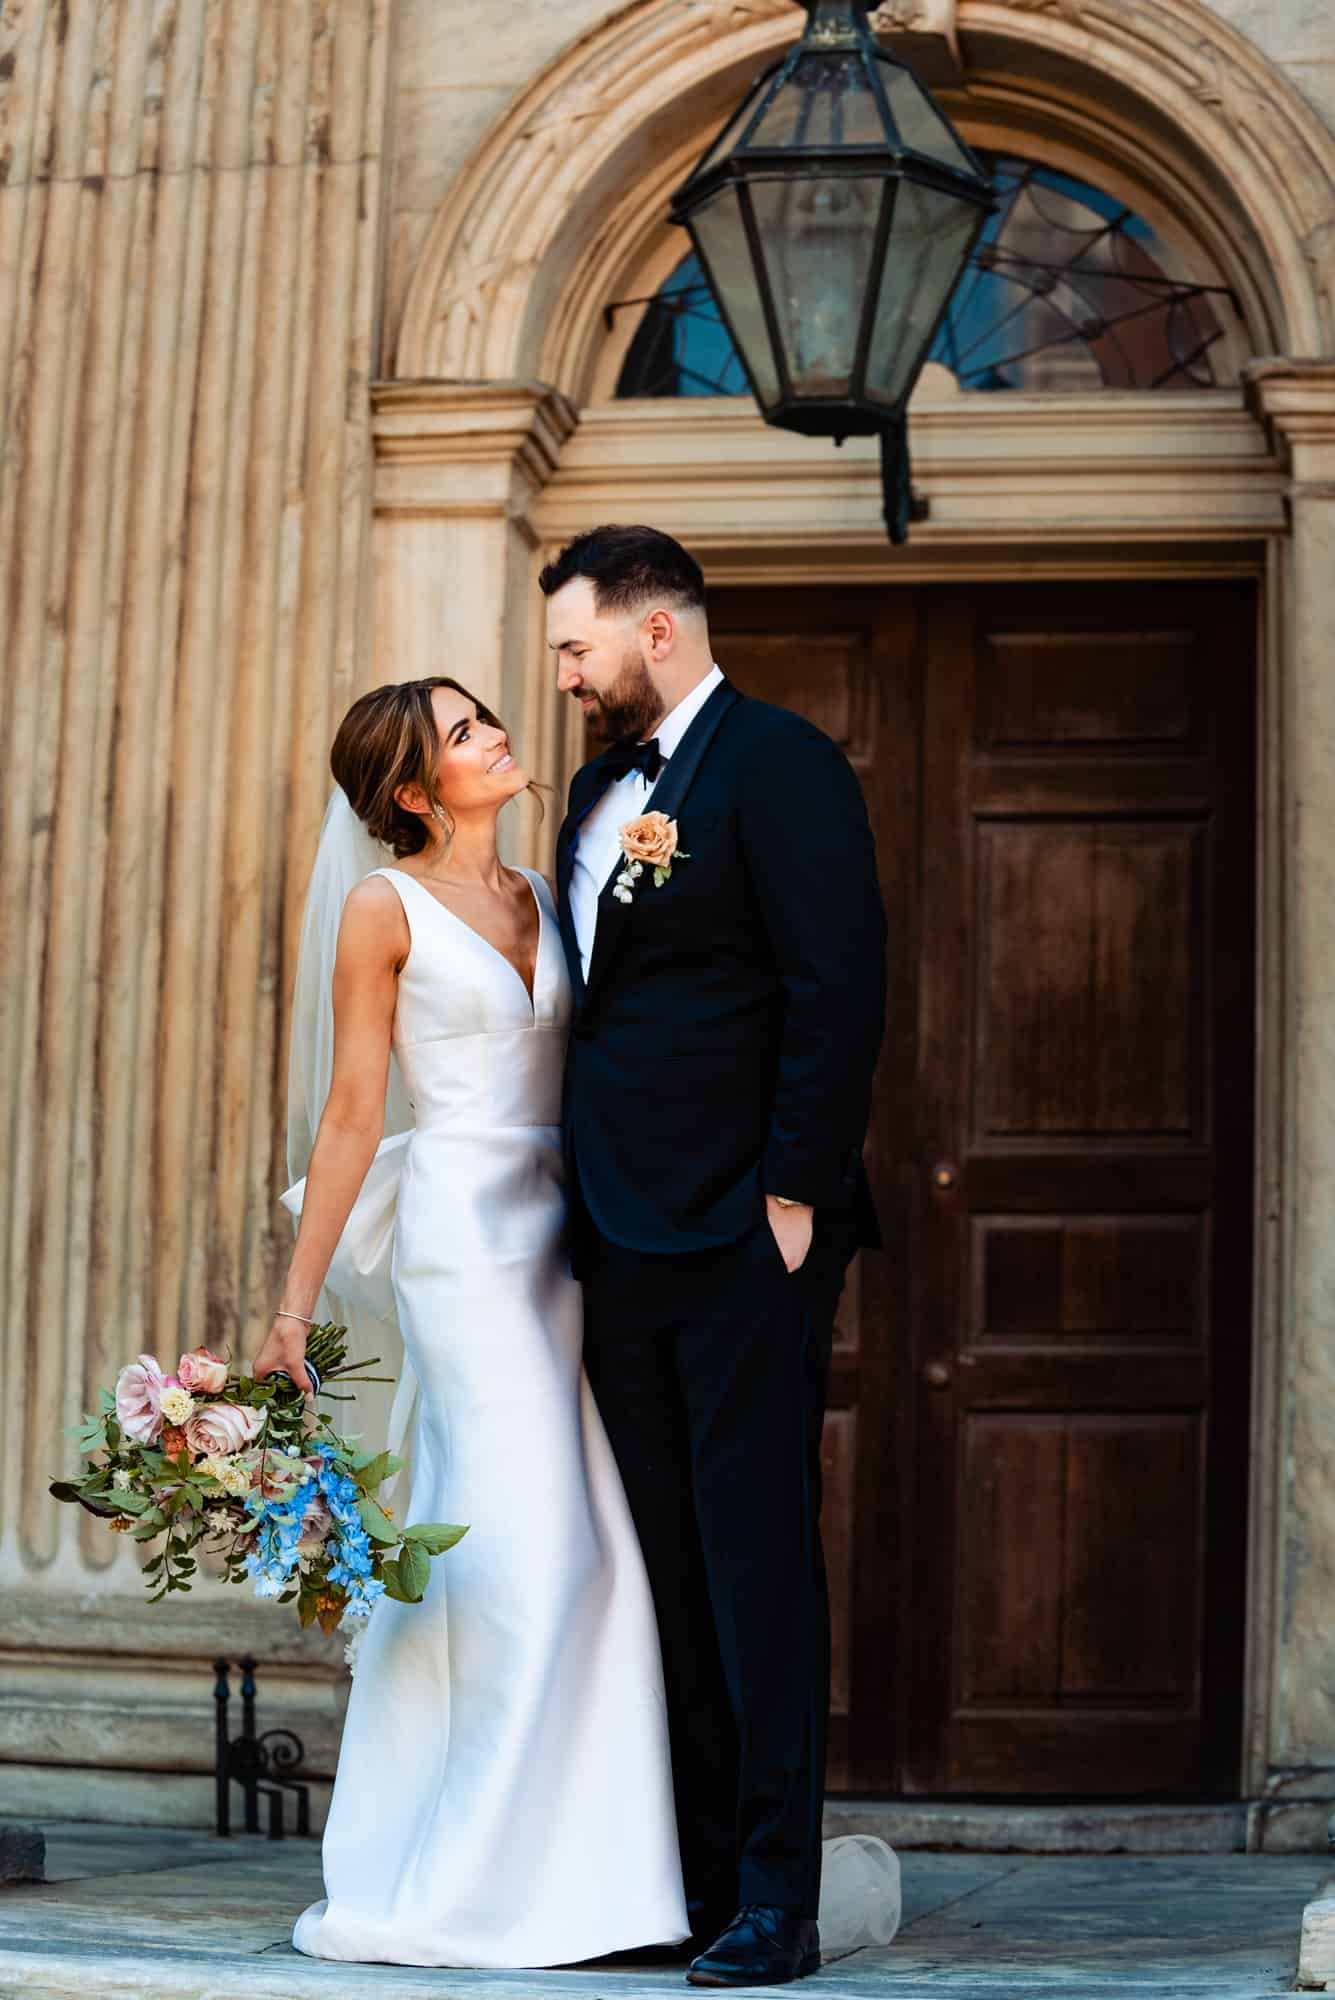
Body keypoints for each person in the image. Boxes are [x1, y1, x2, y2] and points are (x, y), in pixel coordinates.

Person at [254, 676, 688, 1968]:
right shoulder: (380, 911)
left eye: (487, 716)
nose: (495, 736)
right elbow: (350, 1116)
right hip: (460, 1244)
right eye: (461, 734)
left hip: (565, 1230)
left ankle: (591, 1882)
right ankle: (463, 1885)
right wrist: (292, 1306)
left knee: (595, 1546)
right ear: (408, 790)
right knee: (525, 1554)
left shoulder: (552, 895)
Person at [544, 525, 887, 1987]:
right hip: (615, 1235)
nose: (564, 675)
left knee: (754, 1567)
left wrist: (793, 1195)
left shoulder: (782, 764)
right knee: (664, 1567)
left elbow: (839, 980)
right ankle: (679, 1882)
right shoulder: (590, 789)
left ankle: (772, 1900)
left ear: (657, 632)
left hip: (743, 1233)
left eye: (577, 647)